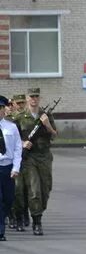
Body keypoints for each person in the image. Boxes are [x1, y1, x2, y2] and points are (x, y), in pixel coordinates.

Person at [15, 87, 57, 236]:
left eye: (36, 97)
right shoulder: (20, 117)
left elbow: (54, 134)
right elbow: (12, 137)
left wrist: (47, 124)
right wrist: (21, 143)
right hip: (29, 158)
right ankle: (36, 222)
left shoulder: (46, 115)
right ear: (27, 98)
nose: (34, 99)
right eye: (31, 96)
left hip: (44, 156)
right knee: (34, 190)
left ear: (39, 98)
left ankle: (38, 211)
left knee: (45, 189)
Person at [0, 95, 24, 242]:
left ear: (4, 110)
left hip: (8, 168)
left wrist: (16, 167)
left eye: (1, 108)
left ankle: (4, 218)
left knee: (8, 199)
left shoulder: (11, 127)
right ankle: (1, 230)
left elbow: (17, 149)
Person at [6, 94, 29, 232]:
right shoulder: (10, 121)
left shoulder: (25, 119)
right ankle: (13, 216)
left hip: (25, 158)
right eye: (16, 103)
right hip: (12, 158)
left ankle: (23, 214)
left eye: (22, 103)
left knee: (24, 190)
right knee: (14, 190)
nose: (19, 106)